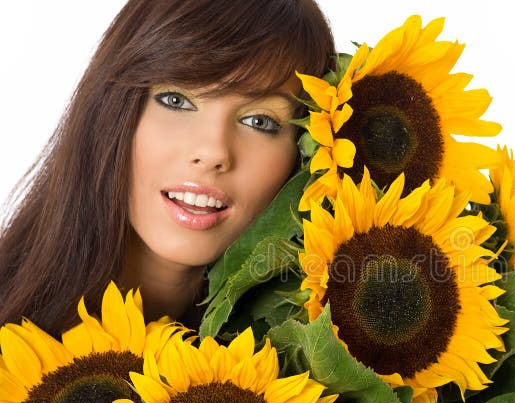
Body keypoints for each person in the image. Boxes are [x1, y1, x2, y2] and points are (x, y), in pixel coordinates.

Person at [0, 0, 335, 336]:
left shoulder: (296, 373)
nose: (213, 152)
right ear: (110, 108)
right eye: (176, 100)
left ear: (307, 154)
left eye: (259, 121)